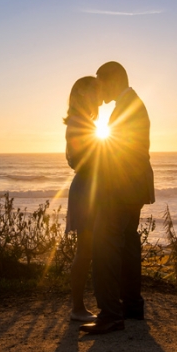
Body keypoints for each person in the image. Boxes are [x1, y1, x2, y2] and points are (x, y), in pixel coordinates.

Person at [80, 62, 155, 334]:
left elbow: (121, 151)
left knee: (105, 248)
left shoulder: (127, 107)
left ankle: (111, 314)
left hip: (121, 188)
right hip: (133, 188)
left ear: (112, 80)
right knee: (128, 247)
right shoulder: (131, 104)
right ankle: (132, 306)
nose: (99, 89)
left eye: (101, 82)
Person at [64, 76, 103, 323]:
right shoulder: (78, 122)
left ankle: (85, 305)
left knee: (90, 249)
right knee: (85, 249)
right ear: (81, 93)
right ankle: (77, 308)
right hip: (86, 189)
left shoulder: (83, 122)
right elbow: (79, 160)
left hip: (90, 187)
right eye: (94, 91)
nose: (98, 97)